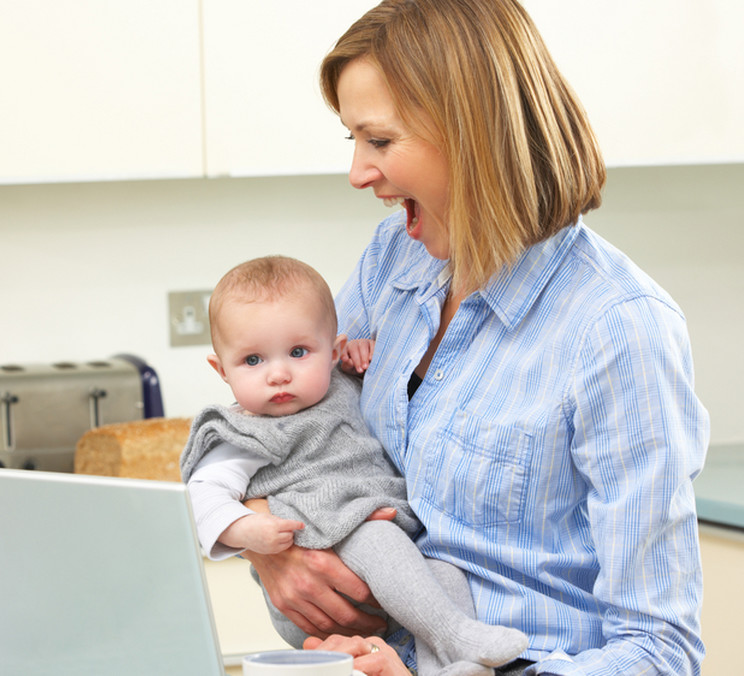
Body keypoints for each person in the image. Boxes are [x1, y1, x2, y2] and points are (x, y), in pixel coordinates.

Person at [244, 2, 710, 675]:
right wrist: (270, 549)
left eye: (379, 141)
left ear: (473, 133)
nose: (358, 173)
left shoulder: (617, 329)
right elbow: (285, 431)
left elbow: (662, 653)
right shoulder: (391, 263)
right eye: (352, 140)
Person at [180, 255, 528, 675]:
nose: (279, 374)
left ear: (332, 350)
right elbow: (202, 495)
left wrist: (364, 357)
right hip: (319, 580)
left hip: (390, 563)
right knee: (375, 534)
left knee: (447, 573)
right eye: (253, 361)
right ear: (221, 371)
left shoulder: (341, 385)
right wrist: (248, 532)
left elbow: (383, 382)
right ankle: (456, 637)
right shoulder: (244, 433)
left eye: (298, 352)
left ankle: (447, 667)